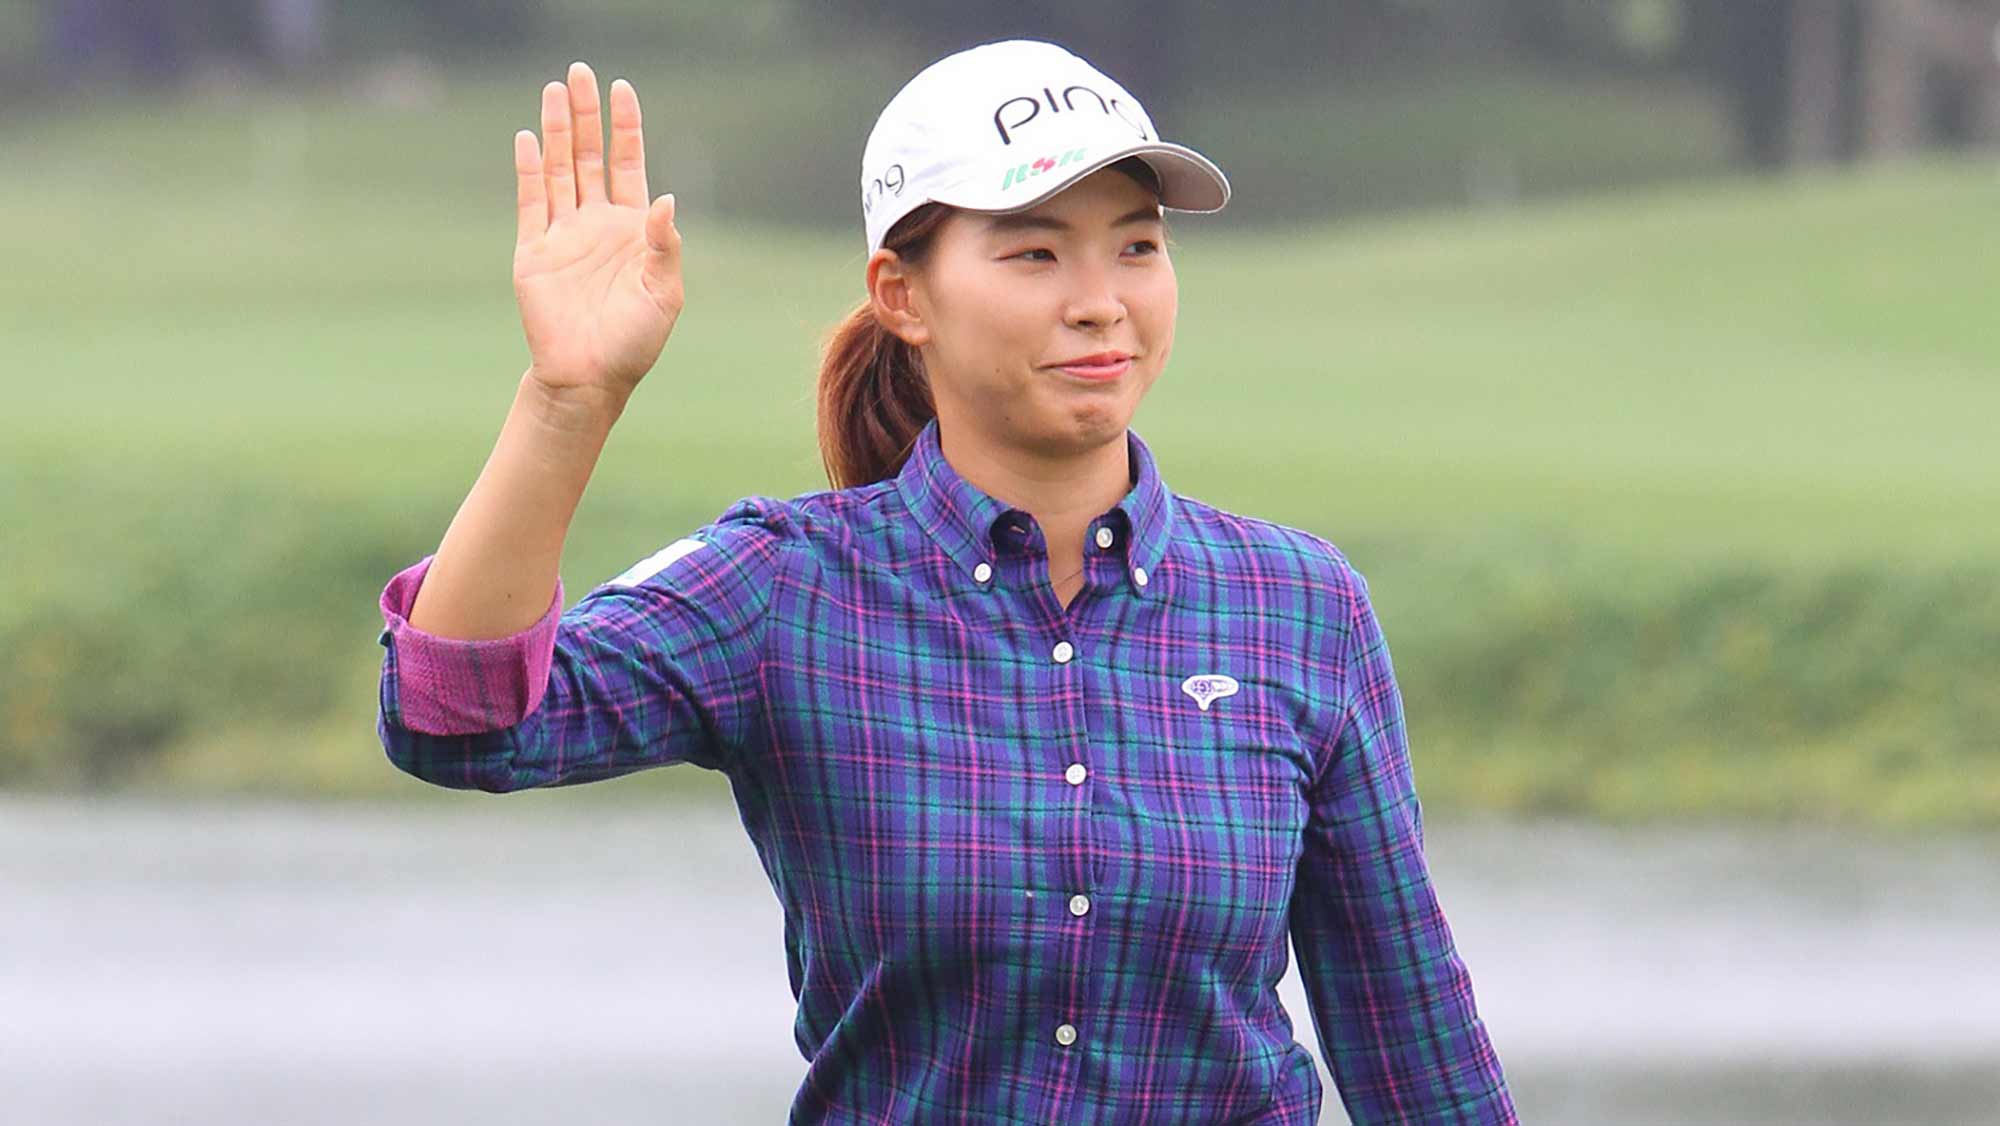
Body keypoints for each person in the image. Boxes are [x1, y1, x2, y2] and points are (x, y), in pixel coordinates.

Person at [374, 38, 1516, 1125]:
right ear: (902, 293)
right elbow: (456, 718)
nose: (1099, 298)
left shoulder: (1297, 604)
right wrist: (568, 398)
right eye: (1033, 251)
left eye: (1134, 244)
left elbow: (1405, 1024)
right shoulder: (784, 585)